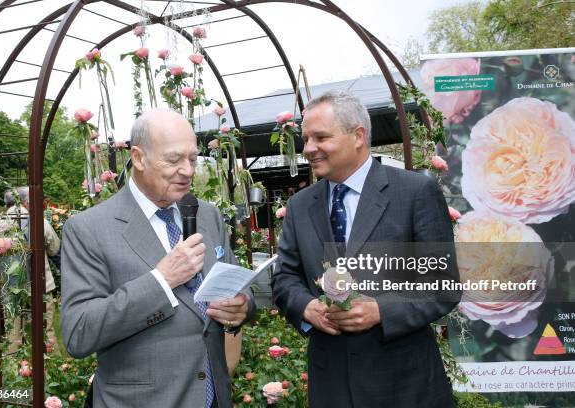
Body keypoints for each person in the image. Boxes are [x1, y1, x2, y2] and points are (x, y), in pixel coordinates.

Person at [271, 91, 459, 407]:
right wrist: (307, 308)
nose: (308, 149)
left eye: (320, 137)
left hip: (405, 386)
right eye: (305, 139)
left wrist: (381, 311)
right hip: (331, 385)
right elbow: (284, 278)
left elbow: (444, 286)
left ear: (358, 136)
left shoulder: (414, 193)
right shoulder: (301, 206)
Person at [60, 108, 255, 408]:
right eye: (174, 159)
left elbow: (237, 286)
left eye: (192, 158)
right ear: (138, 158)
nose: (188, 170)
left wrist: (242, 306)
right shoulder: (89, 229)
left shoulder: (208, 214)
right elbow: (79, 332)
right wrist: (161, 281)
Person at [3, 187, 60, 352]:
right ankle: (52, 367)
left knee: (13, 333)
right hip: (40, 284)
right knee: (44, 330)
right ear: (26, 202)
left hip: (11, 288)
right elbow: (55, 251)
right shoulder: (40, 222)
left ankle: (14, 370)